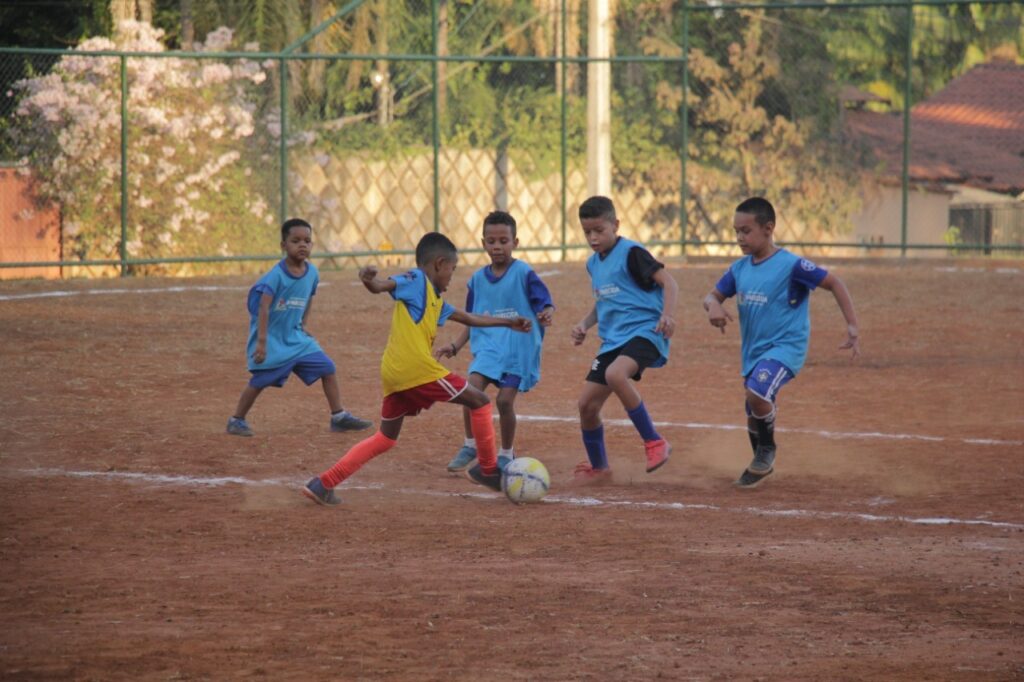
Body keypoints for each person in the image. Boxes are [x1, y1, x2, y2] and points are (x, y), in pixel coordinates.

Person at [302, 232, 533, 506]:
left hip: (394, 371)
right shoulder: (416, 281)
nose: (451, 276)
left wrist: (509, 323)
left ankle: (323, 483)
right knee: (480, 401)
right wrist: (369, 281)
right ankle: (487, 469)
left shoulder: (436, 300)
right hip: (415, 368)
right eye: (452, 269)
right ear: (438, 264)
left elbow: (469, 317)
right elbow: (382, 286)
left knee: (386, 438)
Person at [702, 197, 860, 488]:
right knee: (753, 406)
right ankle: (760, 463)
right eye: (736, 231)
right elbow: (712, 296)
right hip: (754, 352)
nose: (739, 237)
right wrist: (712, 306)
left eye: (746, 231)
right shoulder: (739, 269)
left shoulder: (792, 265)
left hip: (786, 349)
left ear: (768, 228)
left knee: (757, 393)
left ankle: (766, 451)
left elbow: (834, 283)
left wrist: (851, 325)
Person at [227, 218, 372, 437]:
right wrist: (262, 342)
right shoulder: (275, 276)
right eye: (295, 241)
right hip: (273, 341)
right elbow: (263, 308)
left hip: (296, 339)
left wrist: (303, 324)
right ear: (283, 246)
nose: (302, 245)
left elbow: (308, 296)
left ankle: (338, 416)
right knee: (259, 382)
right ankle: (236, 420)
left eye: (307, 241)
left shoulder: (312, 273)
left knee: (328, 368)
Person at [435, 211, 555, 474]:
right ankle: (470, 445)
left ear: (516, 242)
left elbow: (544, 302)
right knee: (470, 391)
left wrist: (546, 313)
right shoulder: (477, 280)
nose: (497, 246)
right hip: (489, 348)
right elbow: (471, 319)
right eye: (492, 241)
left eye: (503, 240)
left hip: (517, 350)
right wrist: (455, 346)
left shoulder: (524, 273)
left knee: (504, 401)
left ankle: (506, 452)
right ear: (483, 243)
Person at [569, 196, 677, 483]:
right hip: (613, 340)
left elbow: (669, 282)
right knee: (587, 406)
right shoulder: (593, 264)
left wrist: (667, 315)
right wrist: (584, 324)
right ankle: (600, 467)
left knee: (616, 374)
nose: (593, 238)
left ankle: (654, 442)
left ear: (615, 225)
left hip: (645, 331)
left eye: (599, 231)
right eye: (587, 232)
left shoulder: (632, 253)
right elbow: (603, 302)